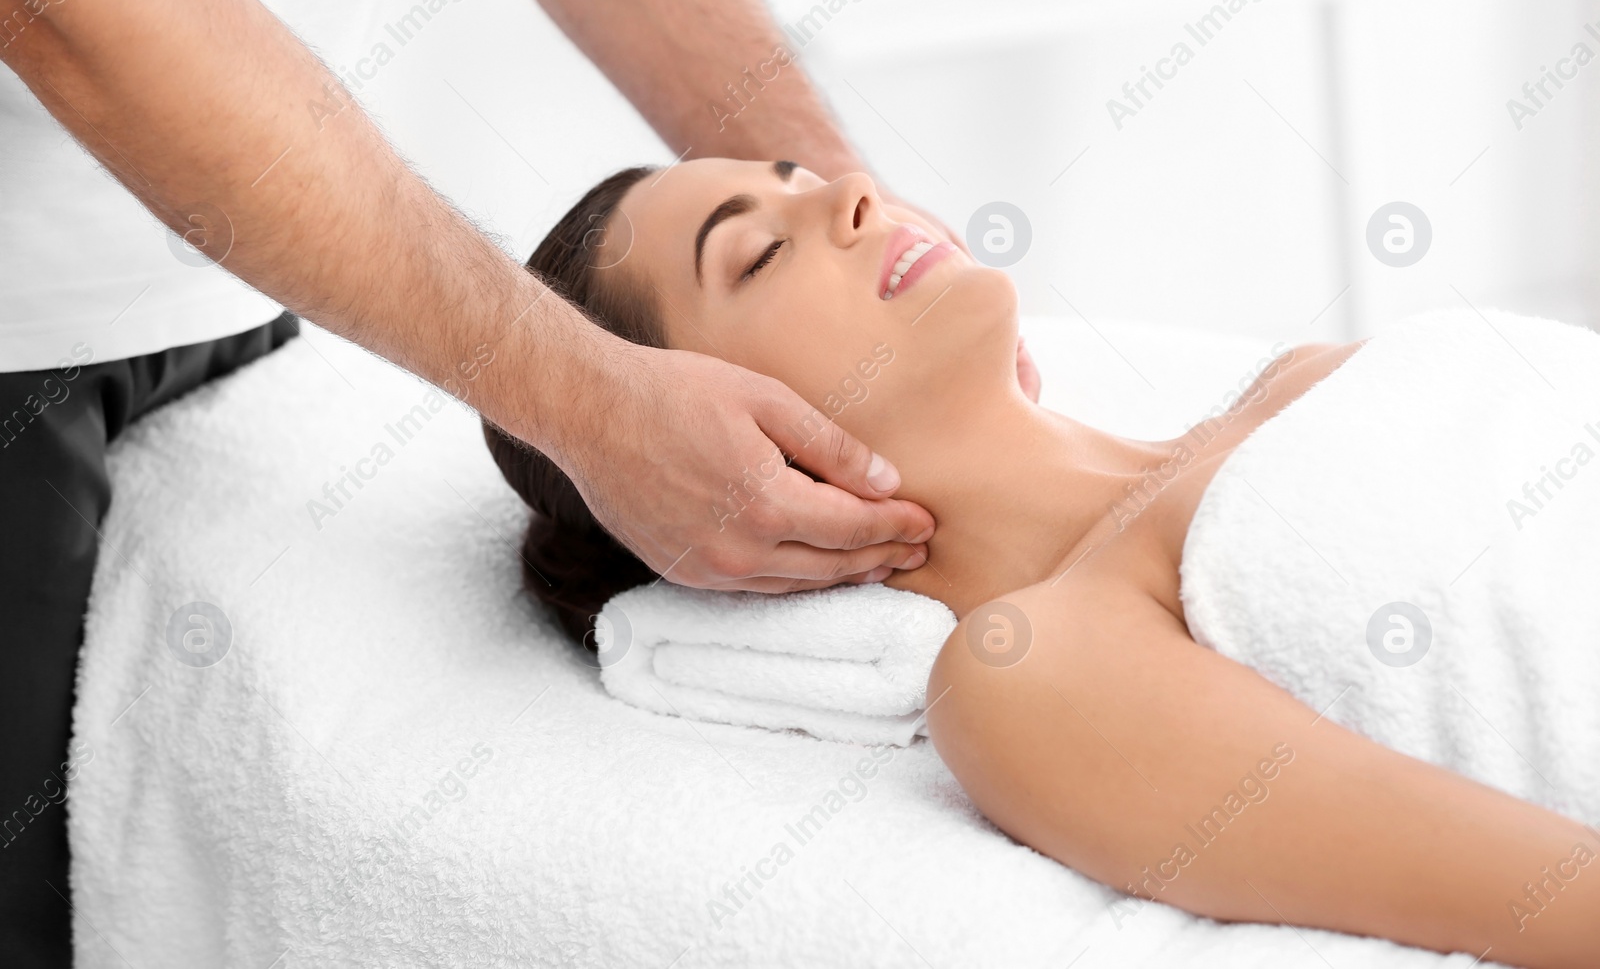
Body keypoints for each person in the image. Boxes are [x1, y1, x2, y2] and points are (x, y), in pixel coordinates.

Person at [0, 0, 1037, 962]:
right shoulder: (1038, 693)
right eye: (753, 259)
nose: (858, 197)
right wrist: (584, 404)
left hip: (223, 245)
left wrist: (833, 192)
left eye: (810, 195)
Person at [485, 156, 1600, 967]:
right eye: (759, 248)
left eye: (800, 172)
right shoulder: (1032, 669)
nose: (850, 192)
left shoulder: (1307, 375)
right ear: (712, 462)